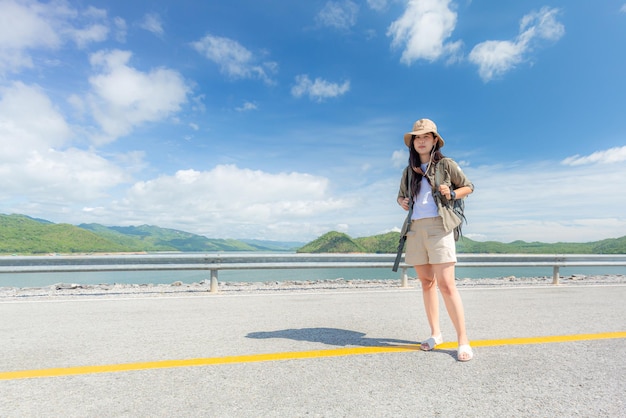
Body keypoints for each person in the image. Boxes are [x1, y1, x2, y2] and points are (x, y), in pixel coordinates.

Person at [396, 118, 474, 362]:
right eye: (417, 138)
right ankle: (436, 334)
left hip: (440, 226)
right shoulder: (409, 171)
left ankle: (463, 340)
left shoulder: (446, 165)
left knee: (447, 285)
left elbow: (468, 187)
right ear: (413, 143)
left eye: (425, 137)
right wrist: (403, 202)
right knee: (426, 282)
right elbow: (400, 197)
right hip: (415, 229)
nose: (421, 141)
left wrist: (451, 193)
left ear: (434, 141)